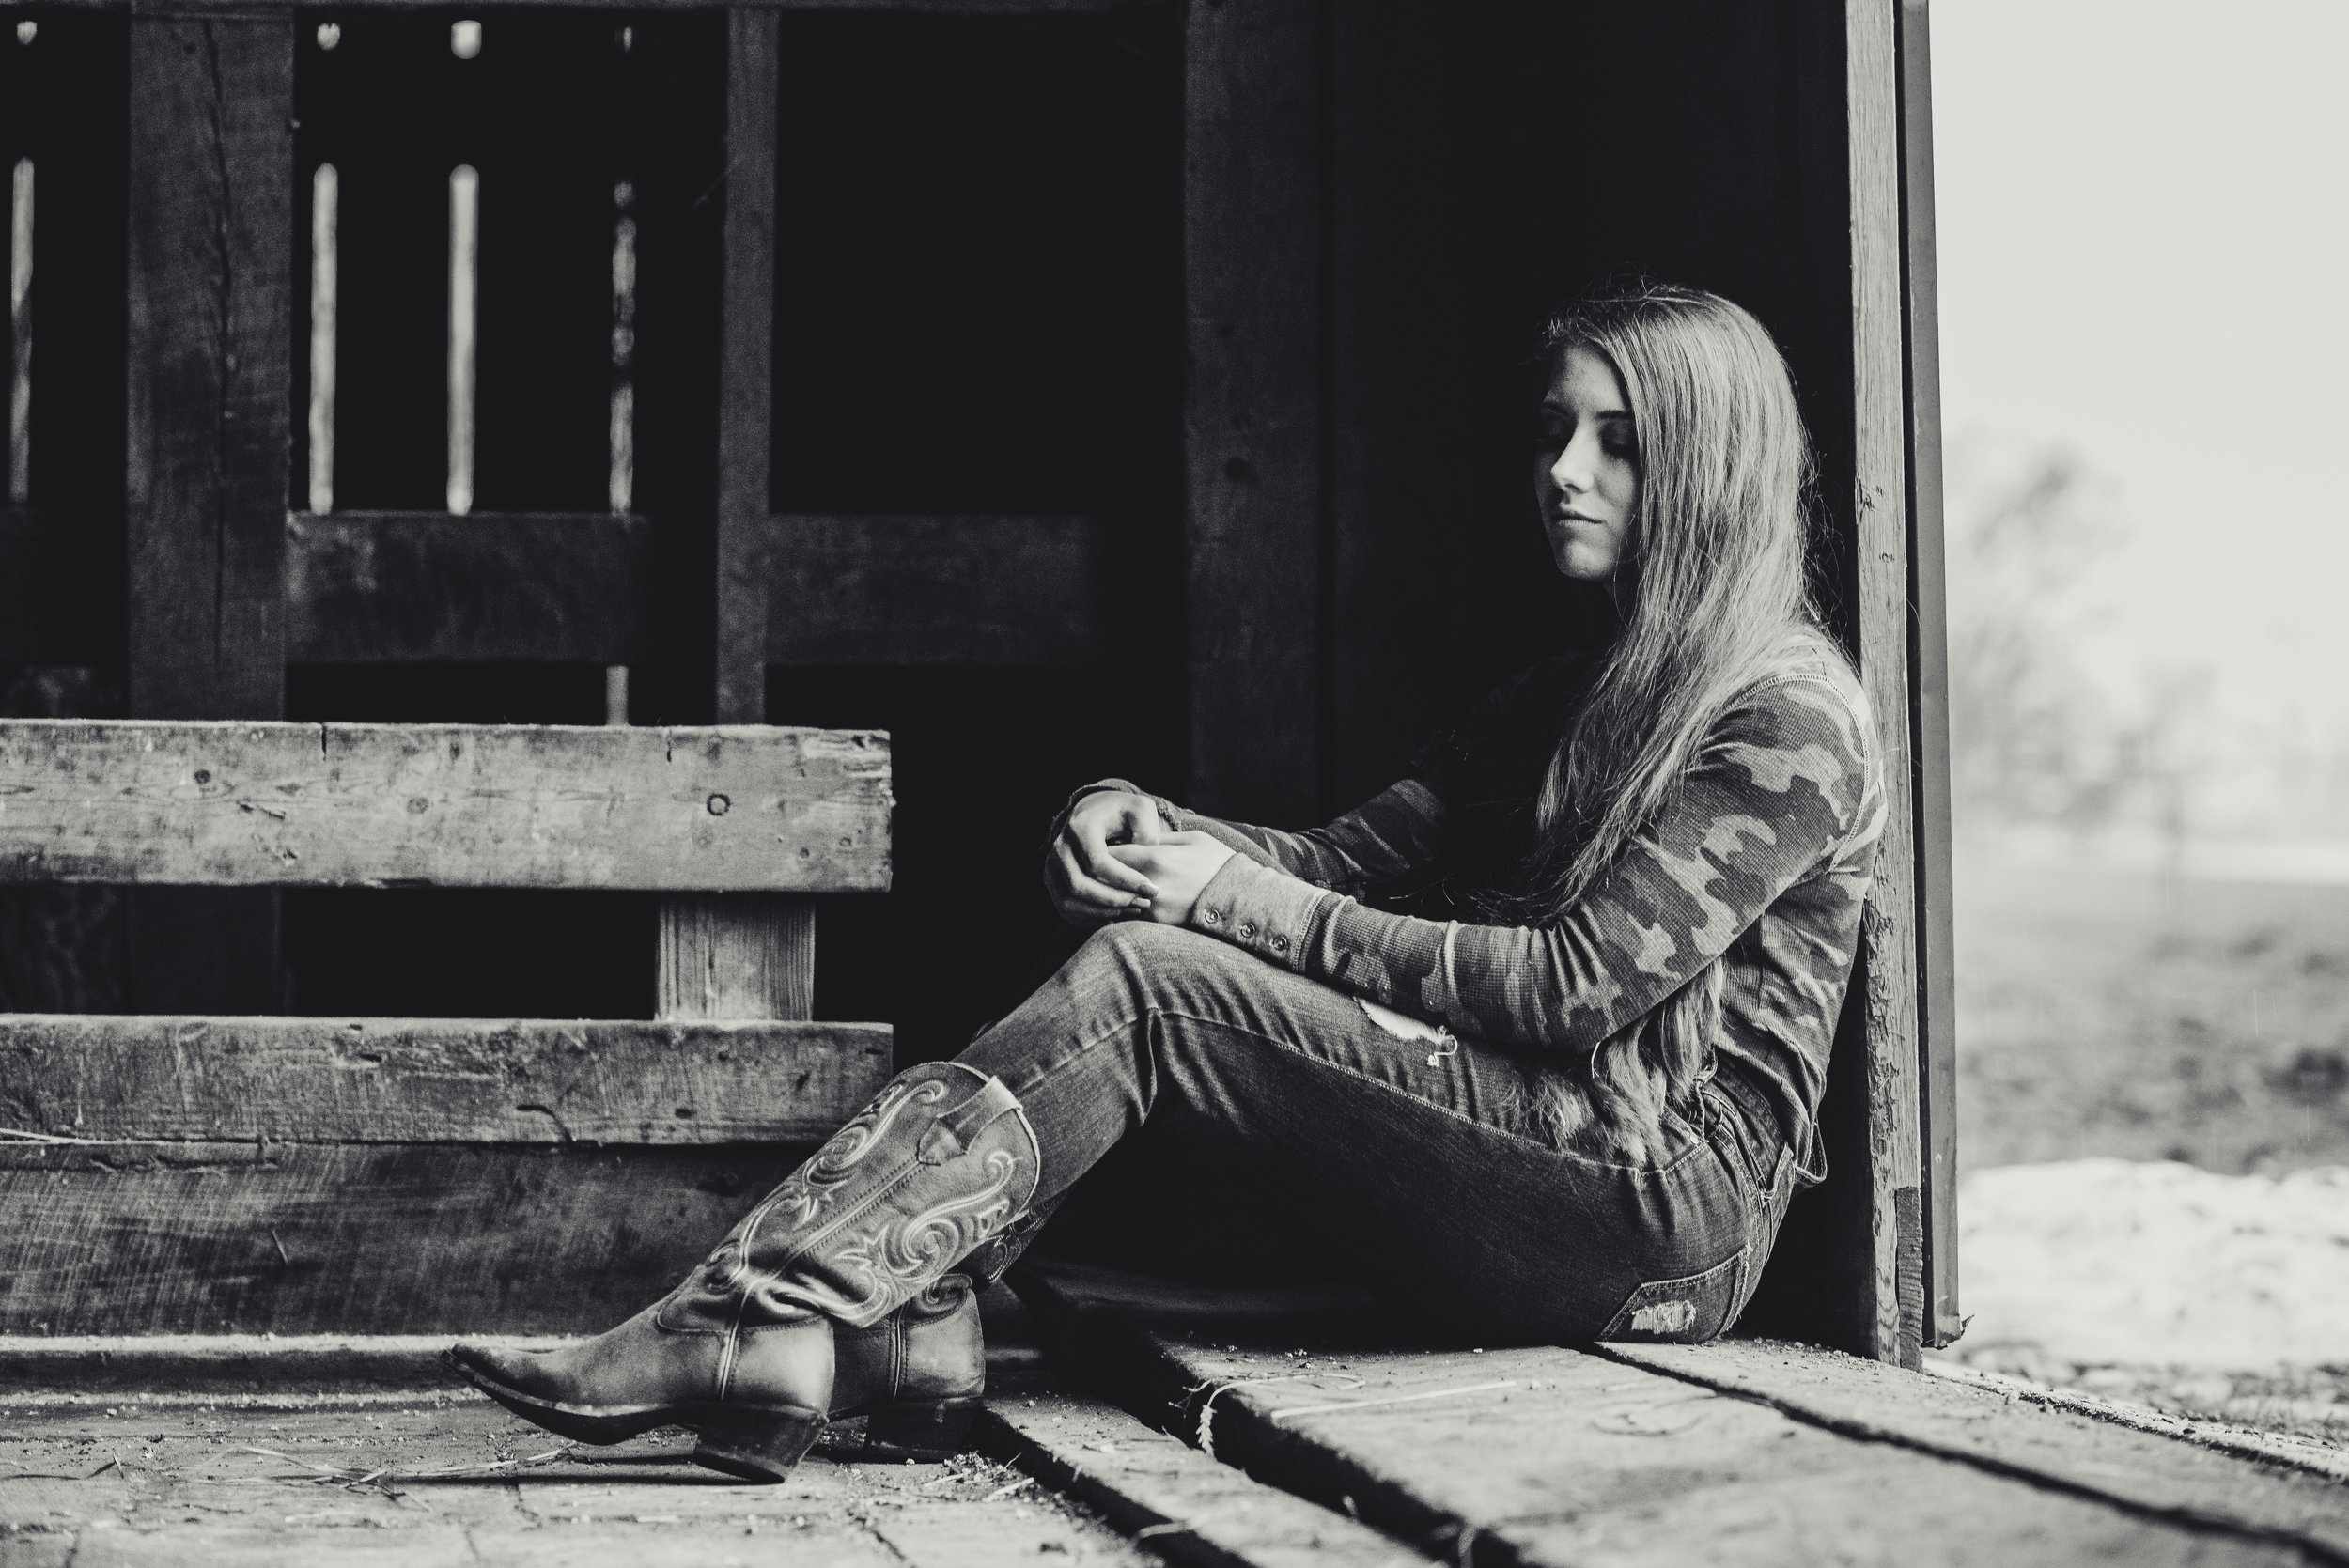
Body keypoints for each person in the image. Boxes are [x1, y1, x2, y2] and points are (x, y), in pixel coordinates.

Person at [447, 283, 1885, 1483]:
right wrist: (1142, 825)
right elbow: (1335, 863)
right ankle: (904, 1323)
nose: (1564, 470)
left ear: (1709, 468)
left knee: (1155, 988)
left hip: (1662, 1223)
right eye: (1559, 430)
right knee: (1157, 954)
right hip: (1562, 1155)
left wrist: (1217, 903)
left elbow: (1578, 987)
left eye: (1619, 443)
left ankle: (766, 1314)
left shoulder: (1787, 714)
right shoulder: (1574, 693)